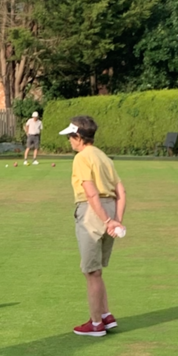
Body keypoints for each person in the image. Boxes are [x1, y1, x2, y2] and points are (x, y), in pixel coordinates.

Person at [60, 116, 126, 337]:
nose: (69, 140)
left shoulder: (81, 158)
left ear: (79, 137)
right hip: (109, 209)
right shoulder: (104, 157)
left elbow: (90, 192)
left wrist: (106, 221)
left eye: (71, 136)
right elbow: (121, 192)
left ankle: (96, 324)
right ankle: (106, 315)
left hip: (92, 212)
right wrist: (116, 219)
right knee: (97, 271)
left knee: (91, 271)